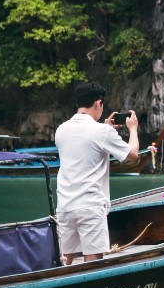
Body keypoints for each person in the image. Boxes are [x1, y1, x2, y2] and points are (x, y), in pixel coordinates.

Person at [55, 81, 141, 264]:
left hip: (65, 206)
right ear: (98, 103)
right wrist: (133, 129)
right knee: (93, 265)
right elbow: (132, 155)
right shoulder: (101, 131)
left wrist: (105, 128)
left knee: (63, 262)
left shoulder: (61, 130)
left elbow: (85, 144)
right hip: (90, 207)